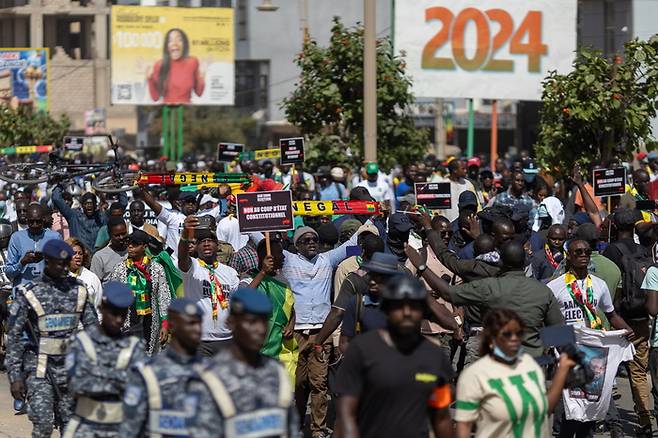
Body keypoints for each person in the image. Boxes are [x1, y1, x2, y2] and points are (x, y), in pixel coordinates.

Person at [335, 275, 453, 438]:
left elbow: (441, 418)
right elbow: (346, 414)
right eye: (399, 306)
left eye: (414, 307)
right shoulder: (361, 351)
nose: (406, 312)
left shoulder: (434, 357)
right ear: (387, 309)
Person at [413, 239, 565, 360]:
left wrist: (421, 267)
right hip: (532, 369)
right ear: (525, 262)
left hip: (498, 369)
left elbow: (448, 293)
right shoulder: (543, 291)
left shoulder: (488, 287)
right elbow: (560, 334)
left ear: (501, 261)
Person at [6, 240, 98, 437]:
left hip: (72, 369)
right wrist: (15, 377)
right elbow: (13, 337)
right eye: (60, 264)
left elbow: (93, 332)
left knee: (72, 427)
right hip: (40, 370)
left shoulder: (79, 290)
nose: (65, 268)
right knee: (43, 425)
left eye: (67, 263)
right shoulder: (29, 293)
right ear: (47, 261)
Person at [187, 288, 300, 437]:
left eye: (264, 322)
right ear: (231, 323)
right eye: (252, 322)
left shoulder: (276, 372)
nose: (260, 330)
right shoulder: (209, 378)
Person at [455, 308, 576, 438]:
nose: (514, 338)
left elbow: (544, 411)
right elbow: (463, 427)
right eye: (507, 334)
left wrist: (562, 371)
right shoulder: (475, 375)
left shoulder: (529, 365)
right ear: (491, 339)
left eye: (518, 333)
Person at [63, 282, 147, 438]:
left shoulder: (134, 346)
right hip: (86, 426)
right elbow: (78, 384)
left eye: (122, 314)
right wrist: (121, 378)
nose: (118, 319)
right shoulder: (81, 342)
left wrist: (97, 374)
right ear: (102, 308)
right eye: (113, 313)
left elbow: (140, 389)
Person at [121, 298, 205, 437]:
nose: (198, 329)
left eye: (200, 323)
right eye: (191, 323)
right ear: (172, 325)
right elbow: (130, 429)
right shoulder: (147, 373)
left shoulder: (210, 371)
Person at [178, 216, 240, 357]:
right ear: (196, 247)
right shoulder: (192, 267)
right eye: (202, 241)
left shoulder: (229, 272)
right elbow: (182, 258)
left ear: (217, 245)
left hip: (227, 339)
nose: (206, 244)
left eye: (210, 241)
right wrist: (185, 235)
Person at [109, 229, 172, 355]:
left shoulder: (156, 268)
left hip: (150, 322)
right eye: (129, 243)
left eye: (135, 243)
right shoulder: (120, 269)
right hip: (126, 321)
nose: (130, 246)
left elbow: (163, 296)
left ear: (144, 246)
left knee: (147, 357)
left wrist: (165, 323)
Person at [241, 239, 297, 376]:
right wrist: (263, 273)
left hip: (280, 349)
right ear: (267, 257)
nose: (283, 257)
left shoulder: (283, 281)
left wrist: (291, 325)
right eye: (279, 253)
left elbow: (292, 310)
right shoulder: (248, 278)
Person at [139, 187, 222, 256]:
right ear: (180, 204)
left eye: (193, 202)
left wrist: (220, 193)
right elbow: (152, 203)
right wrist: (141, 188)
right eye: (187, 202)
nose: (190, 204)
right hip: (174, 262)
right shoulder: (172, 216)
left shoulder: (202, 216)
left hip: (195, 263)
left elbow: (223, 207)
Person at [52, 187, 127, 253]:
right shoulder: (74, 216)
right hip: (80, 256)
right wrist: (59, 185)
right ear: (82, 205)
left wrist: (119, 187)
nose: (89, 205)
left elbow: (122, 204)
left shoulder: (102, 217)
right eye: (86, 203)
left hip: (99, 256)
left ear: (96, 205)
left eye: (91, 203)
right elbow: (56, 198)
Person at [5, 203, 62, 286]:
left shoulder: (55, 237)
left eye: (38, 221)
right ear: (27, 220)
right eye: (31, 222)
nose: (35, 225)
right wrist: (22, 262)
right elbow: (9, 272)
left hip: (47, 292)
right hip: (22, 293)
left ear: (43, 219)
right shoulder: (16, 238)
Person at [147, 28, 204, 104]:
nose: (175, 43)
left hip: (186, 110)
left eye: (179, 39)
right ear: (166, 46)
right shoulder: (159, 64)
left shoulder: (193, 62)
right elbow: (155, 98)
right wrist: (149, 78)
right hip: (166, 111)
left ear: (185, 44)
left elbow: (199, 93)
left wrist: (202, 77)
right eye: (170, 41)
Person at [66, 237, 103, 315]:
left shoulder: (92, 278)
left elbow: (99, 307)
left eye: (80, 254)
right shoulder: (60, 277)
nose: (78, 257)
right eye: (74, 253)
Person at [90, 216, 128, 283]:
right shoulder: (99, 257)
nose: (121, 237)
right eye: (117, 235)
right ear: (110, 235)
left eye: (123, 234)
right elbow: (95, 284)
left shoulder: (134, 252)